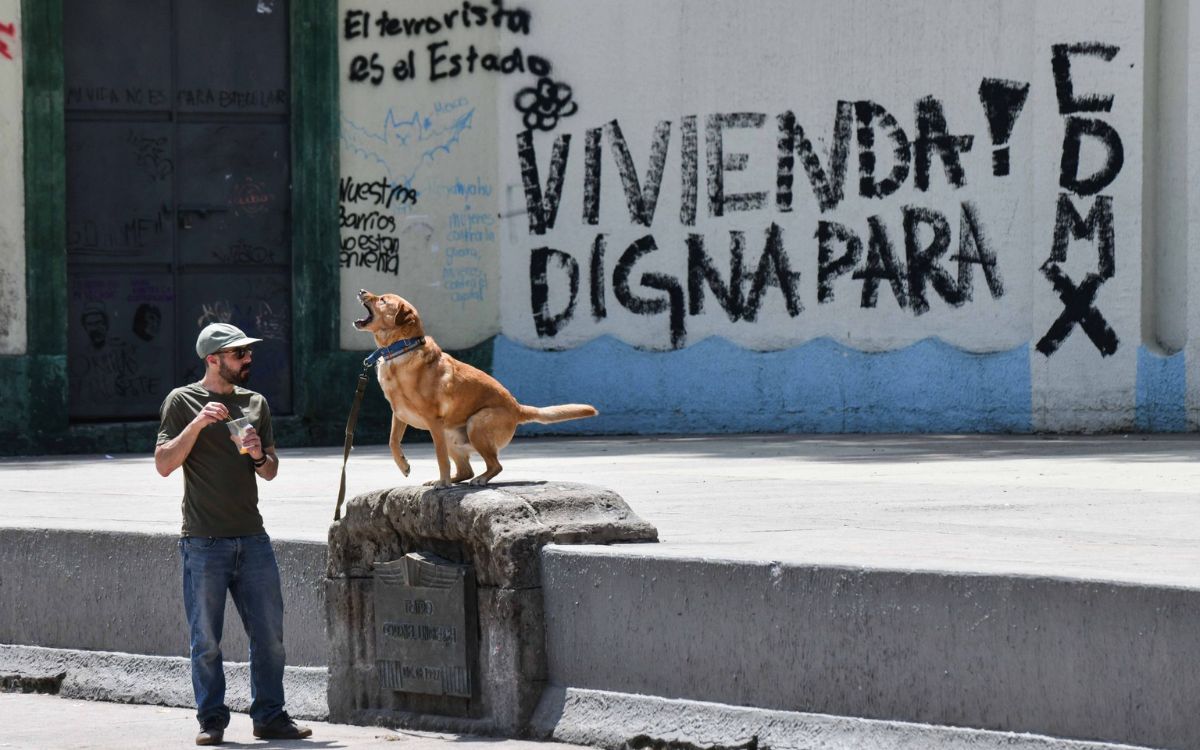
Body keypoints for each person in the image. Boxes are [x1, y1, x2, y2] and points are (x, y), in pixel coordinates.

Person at [154, 322, 312, 746]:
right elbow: (164, 463)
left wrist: (261, 455)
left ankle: (270, 717)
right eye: (239, 354)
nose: (248, 360)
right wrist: (198, 425)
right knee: (206, 640)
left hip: (253, 539)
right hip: (203, 541)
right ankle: (211, 721)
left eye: (247, 353)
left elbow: (272, 471)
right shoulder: (182, 401)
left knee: (271, 639)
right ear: (213, 360)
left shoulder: (255, 402)